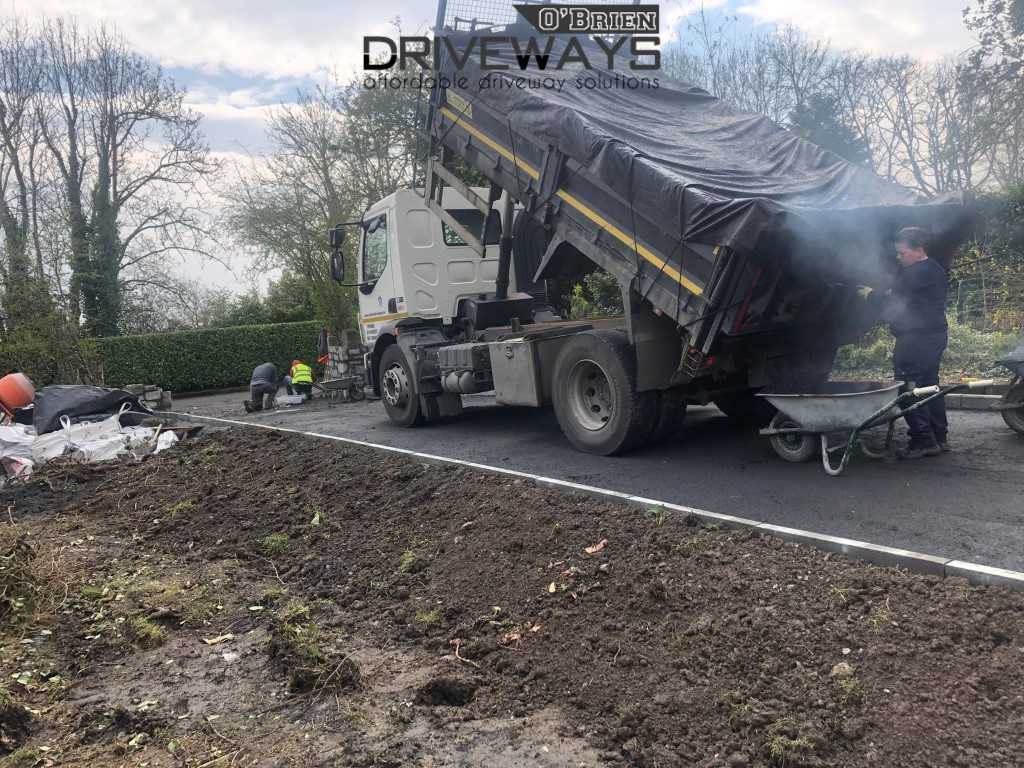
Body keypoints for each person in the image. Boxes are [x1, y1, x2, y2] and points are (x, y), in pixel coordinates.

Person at [865, 227, 950, 458]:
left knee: (908, 388)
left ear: (919, 250)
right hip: (935, 336)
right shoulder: (935, 269)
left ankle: (924, 442)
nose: (898, 257)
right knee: (930, 386)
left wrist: (870, 295)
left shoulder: (915, 273)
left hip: (915, 339)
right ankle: (939, 437)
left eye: (902, 253)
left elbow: (893, 302)